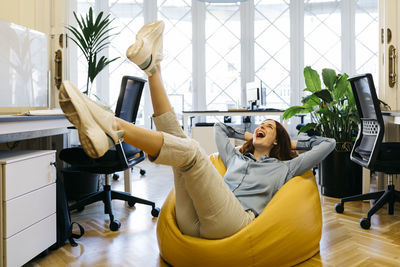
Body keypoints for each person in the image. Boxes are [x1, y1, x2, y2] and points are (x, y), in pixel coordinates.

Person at [59, 20, 336, 239]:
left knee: (192, 151)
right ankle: (151, 67)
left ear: (277, 142)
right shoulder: (236, 158)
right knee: (178, 139)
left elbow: (328, 144)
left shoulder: (285, 168)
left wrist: (291, 146)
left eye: (269, 128)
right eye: (261, 124)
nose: (262, 126)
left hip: (233, 224)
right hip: (193, 222)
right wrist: (246, 136)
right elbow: (219, 128)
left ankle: (112, 126)